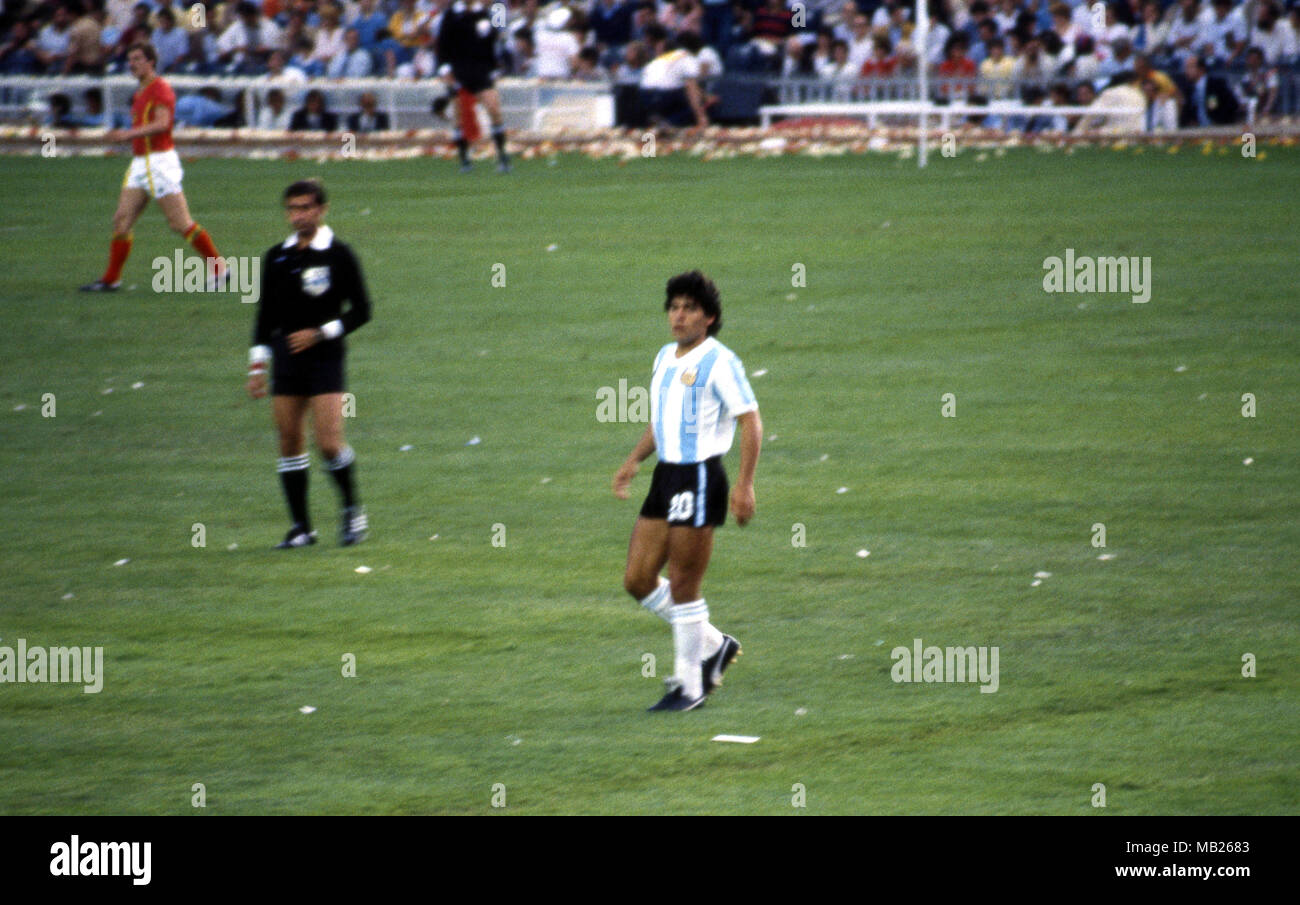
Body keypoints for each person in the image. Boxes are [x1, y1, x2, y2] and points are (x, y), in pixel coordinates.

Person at [613, 271, 762, 712]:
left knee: (683, 584)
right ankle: (714, 646)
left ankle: (689, 687)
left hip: (700, 477)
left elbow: (750, 420)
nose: (678, 316)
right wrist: (634, 460)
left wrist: (745, 484)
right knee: (637, 579)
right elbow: (661, 421)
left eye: (689, 308)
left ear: (709, 317)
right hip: (666, 477)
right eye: (674, 307)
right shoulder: (663, 357)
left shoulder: (720, 362)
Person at [247, 180, 371, 549]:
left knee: (329, 444)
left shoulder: (338, 254)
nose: (297, 215)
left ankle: (352, 510)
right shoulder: (277, 257)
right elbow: (265, 314)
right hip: (286, 356)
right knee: (288, 442)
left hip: (325, 356)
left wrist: (322, 333)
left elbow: (362, 311)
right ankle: (301, 528)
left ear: (322, 210)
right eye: (291, 209)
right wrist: (257, 364)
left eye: (304, 208)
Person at [80, 42, 223, 292]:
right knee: (121, 220)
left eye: (137, 59)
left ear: (151, 62)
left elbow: (163, 124)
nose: (132, 64)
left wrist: (128, 134)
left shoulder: (161, 89)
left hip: (159, 162)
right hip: (140, 163)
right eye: (130, 59)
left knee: (180, 223)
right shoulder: (140, 92)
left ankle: (219, 268)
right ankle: (111, 279)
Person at [433, 0, 511, 173]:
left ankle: (503, 156)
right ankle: (464, 159)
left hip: (481, 70)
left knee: (493, 108)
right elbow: (442, 45)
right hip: (459, 69)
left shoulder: (485, 12)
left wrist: (495, 66)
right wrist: (445, 69)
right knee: (459, 116)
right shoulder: (451, 14)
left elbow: (493, 42)